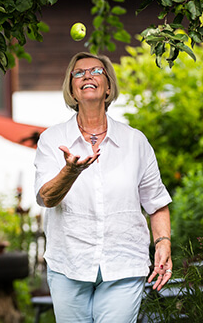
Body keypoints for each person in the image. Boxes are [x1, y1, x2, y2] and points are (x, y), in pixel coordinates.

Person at [34, 51, 173, 322]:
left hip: (124, 263)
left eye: (96, 71)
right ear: (71, 90)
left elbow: (156, 203)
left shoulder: (135, 142)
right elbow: (46, 198)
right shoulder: (52, 140)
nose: (87, 75)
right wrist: (70, 172)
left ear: (108, 86)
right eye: (79, 72)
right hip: (69, 265)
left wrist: (163, 243)